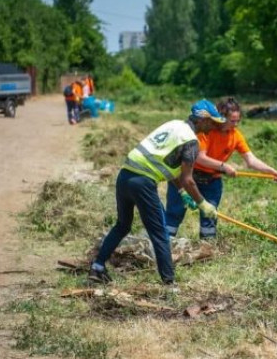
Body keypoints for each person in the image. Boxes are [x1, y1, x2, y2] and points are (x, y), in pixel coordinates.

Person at [88, 99, 225, 287]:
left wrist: (182, 192)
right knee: (160, 233)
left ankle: (97, 266)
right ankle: (169, 284)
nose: (214, 127)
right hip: (143, 183)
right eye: (212, 122)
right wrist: (203, 203)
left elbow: (164, 164)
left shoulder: (174, 125)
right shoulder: (191, 142)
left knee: (122, 225)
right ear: (202, 119)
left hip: (125, 175)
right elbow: (188, 179)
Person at [166, 97, 277, 240]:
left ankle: (206, 249)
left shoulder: (236, 135)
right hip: (188, 177)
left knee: (209, 216)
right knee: (174, 212)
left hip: (212, 181)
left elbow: (251, 160)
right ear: (221, 117)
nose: (236, 124)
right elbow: (199, 157)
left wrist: (271, 171)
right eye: (232, 121)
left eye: (238, 121)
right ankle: (164, 244)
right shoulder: (206, 130)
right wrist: (224, 166)